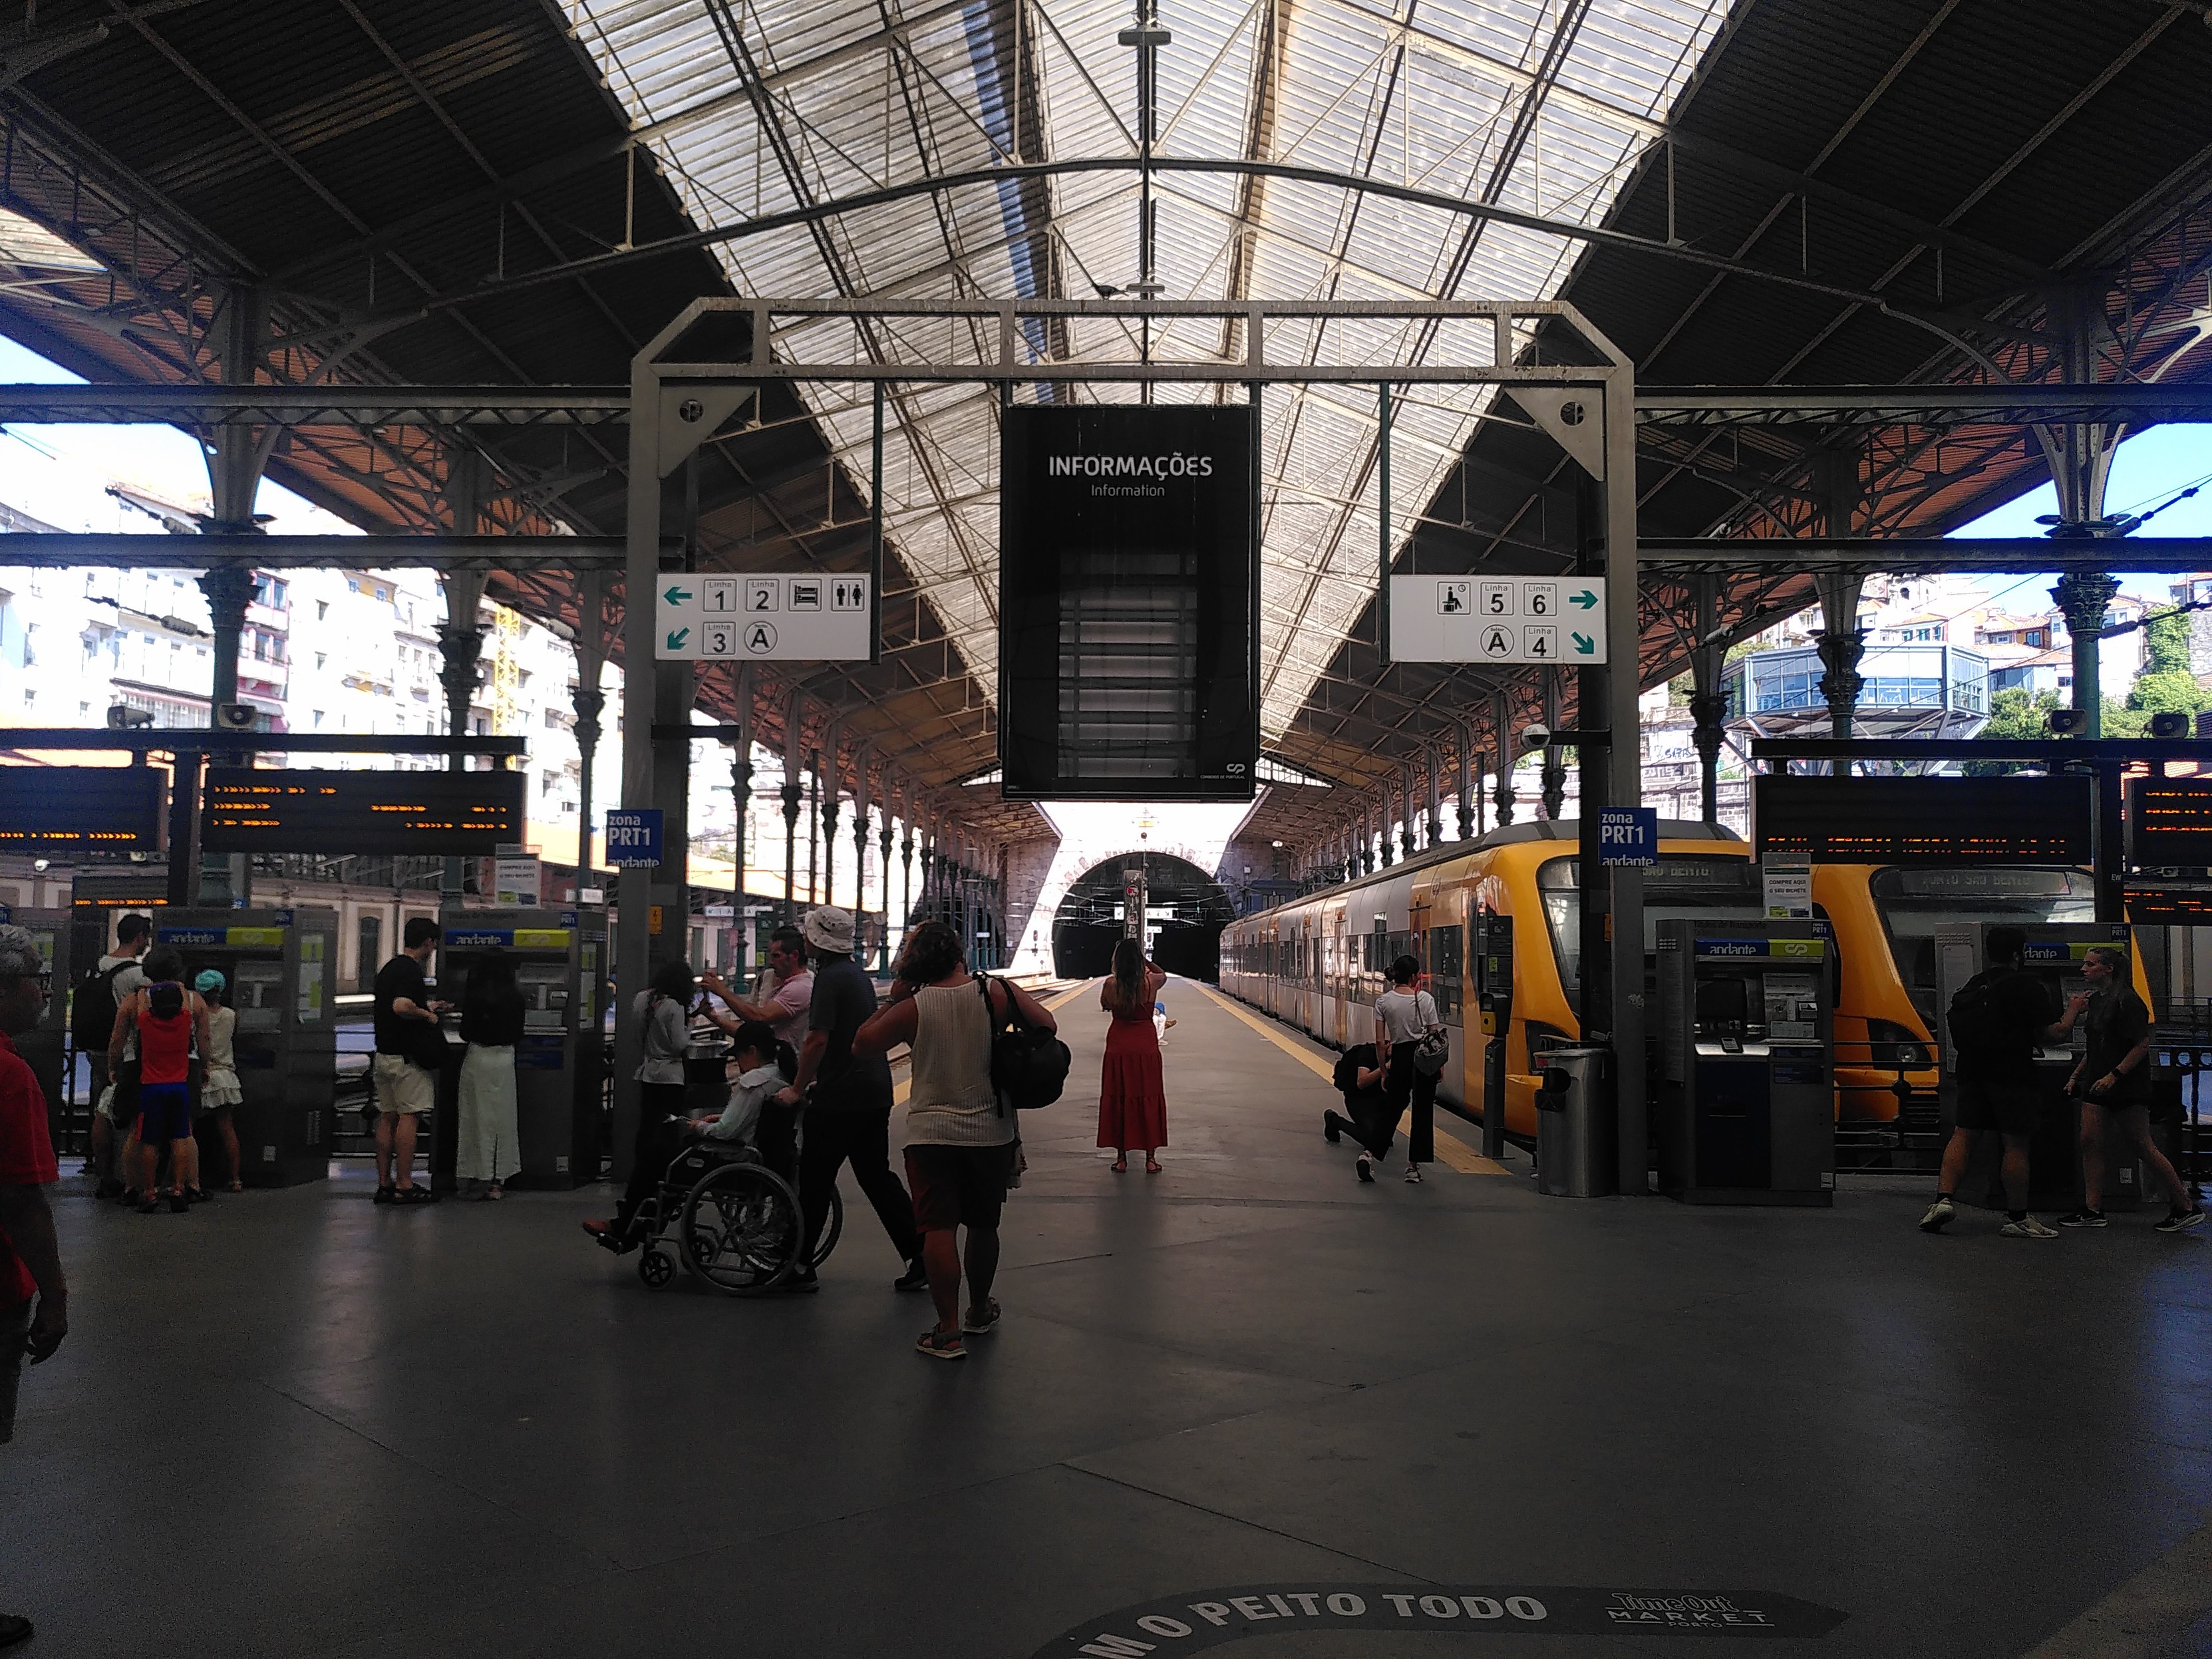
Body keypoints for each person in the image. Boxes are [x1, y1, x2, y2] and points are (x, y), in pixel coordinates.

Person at [855, 919, 1057, 1360]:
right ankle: (979, 1311)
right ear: (957, 953)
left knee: (937, 1227)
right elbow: (1047, 1024)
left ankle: (947, 1332)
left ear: (915, 961)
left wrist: (890, 1004)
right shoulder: (995, 993)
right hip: (991, 1132)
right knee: (983, 1225)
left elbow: (862, 1046)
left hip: (931, 1135)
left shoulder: (913, 1006)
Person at [773, 906, 923, 1292]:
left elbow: (817, 1039)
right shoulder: (855, 974)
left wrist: (798, 1086)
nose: (803, 939)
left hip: (841, 1096)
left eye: (808, 934)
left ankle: (800, 1265)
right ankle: (919, 1256)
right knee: (876, 1178)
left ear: (818, 940)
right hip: (874, 1090)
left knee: (815, 1181)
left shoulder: (830, 978)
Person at [1920, 925, 2086, 1239]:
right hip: (2013, 1075)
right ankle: (2019, 1217)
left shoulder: (1975, 984)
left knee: (1963, 1136)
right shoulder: (2027, 986)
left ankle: (1942, 1201)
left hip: (1972, 1073)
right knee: (2016, 1144)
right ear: (2018, 954)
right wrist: (2074, 1010)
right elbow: (2054, 1034)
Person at [0, 925, 67, 1650]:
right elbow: (20, 1199)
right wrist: (57, 1295)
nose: (45, 991)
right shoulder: (11, 1075)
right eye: (35, 980)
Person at [583, 1018, 791, 1250]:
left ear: (752, 1051)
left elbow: (724, 1132)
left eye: (740, 1055)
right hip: (757, 1162)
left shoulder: (753, 1083)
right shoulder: (778, 1077)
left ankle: (625, 1226)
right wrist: (720, 1118)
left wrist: (699, 1126)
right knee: (670, 1160)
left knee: (655, 1155)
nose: (738, 1063)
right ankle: (639, 1225)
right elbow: (749, 1120)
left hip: (732, 1165)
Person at [2057, 946, 2203, 1233]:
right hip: (2097, 1082)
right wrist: (2078, 1075)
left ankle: (2184, 1204)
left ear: (2108, 969)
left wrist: (2115, 1075)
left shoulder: (2128, 1002)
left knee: (2142, 1145)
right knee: (2089, 1140)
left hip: (2125, 1084)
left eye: (2090, 965)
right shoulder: (2097, 1002)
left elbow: (2141, 1044)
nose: (2084, 970)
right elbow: (2095, 1046)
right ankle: (2092, 1208)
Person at [111, 947, 209, 1215]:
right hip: (183, 1073)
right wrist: (205, 1065)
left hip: (143, 1074)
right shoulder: (192, 1002)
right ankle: (187, 1187)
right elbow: (204, 1039)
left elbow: (118, 1039)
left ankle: (137, 1188)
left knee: (139, 1133)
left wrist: (114, 1066)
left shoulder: (136, 1002)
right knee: (184, 1132)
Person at [372, 917, 447, 1205]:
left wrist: (423, 1006)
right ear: (428, 942)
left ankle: (384, 1183)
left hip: (384, 1054)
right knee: (409, 1117)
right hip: (406, 1060)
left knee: (387, 1117)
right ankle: (405, 1184)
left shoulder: (390, 968)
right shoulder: (410, 970)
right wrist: (428, 1015)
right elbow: (401, 1006)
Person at [79, 911, 148, 1197]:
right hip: (124, 1053)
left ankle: (101, 1169)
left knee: (100, 1110)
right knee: (125, 1113)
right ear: (140, 938)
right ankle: (124, 1173)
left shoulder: (98, 965)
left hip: (96, 1048)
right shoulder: (136, 974)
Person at [457, 947, 526, 1200]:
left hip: (478, 1058)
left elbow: (465, 1032)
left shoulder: (474, 997)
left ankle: (475, 1177)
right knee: (503, 1120)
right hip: (505, 1059)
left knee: (475, 1119)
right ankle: (499, 1180)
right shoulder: (516, 998)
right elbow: (518, 1033)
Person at [1096, 939, 1168, 1173]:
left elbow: (1106, 1006)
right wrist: (1144, 960)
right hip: (1145, 1045)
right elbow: (1163, 974)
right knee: (1148, 1095)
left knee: (1119, 1097)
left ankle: (1121, 1159)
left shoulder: (1110, 985)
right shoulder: (1151, 983)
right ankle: (1150, 1159)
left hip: (1118, 1045)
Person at [1375, 954, 1444, 1184]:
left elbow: (1380, 1042)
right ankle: (1413, 1167)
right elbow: (1434, 1034)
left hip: (1401, 1055)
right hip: (1424, 1057)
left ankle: (1370, 1154)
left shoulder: (1384, 1002)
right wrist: (1439, 1066)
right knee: (1422, 1110)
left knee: (1392, 1108)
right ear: (1415, 977)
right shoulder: (1425, 999)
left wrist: (1384, 1071)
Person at [709, 928, 814, 1054]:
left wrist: (722, 991)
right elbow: (752, 1032)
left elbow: (758, 1017)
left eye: (776, 956)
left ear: (795, 956)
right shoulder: (776, 981)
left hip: (785, 1066)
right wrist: (714, 1017)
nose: (771, 962)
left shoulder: (801, 987)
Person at [193, 969, 243, 1193]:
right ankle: (235, 1179)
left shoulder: (195, 1015)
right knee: (227, 1129)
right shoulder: (231, 1015)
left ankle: (189, 1178)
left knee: (188, 1130)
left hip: (202, 1075)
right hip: (225, 1078)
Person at [1324, 1042, 1394, 1181]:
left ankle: (1374, 1131)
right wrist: (1384, 1068)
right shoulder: (1368, 1053)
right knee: (1373, 1139)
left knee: (1381, 1139)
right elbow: (1361, 1082)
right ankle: (1334, 1120)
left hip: (1378, 1101)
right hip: (1357, 1100)